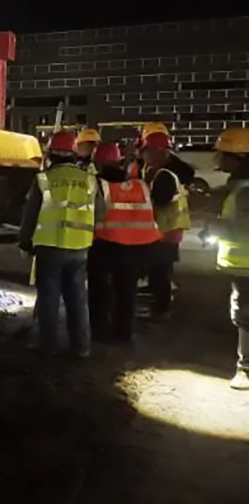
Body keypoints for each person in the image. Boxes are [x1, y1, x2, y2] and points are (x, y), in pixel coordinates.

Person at [20, 131, 100, 357]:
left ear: (51, 154)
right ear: (74, 155)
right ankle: (81, 348)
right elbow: (100, 213)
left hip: (49, 247)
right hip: (79, 248)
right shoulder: (90, 181)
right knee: (77, 299)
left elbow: (30, 214)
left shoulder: (43, 179)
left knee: (48, 298)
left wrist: (25, 242)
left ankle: (47, 346)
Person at [88, 142, 161, 343]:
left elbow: (92, 215)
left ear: (97, 162)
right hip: (138, 248)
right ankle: (124, 334)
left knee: (99, 291)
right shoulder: (140, 185)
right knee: (127, 291)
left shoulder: (98, 185)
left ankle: (99, 333)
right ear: (119, 162)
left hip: (106, 245)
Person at [200, 128, 249, 390]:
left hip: (247, 265)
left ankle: (246, 369)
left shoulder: (246, 189)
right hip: (243, 265)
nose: (220, 160)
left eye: (225, 155)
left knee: (246, 314)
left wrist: (218, 228)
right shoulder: (240, 186)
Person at [141, 131, 191, 320]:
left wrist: (143, 199)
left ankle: (161, 309)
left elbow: (159, 201)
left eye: (146, 151)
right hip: (167, 230)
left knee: (160, 270)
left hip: (165, 231)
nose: (143, 154)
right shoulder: (160, 173)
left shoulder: (164, 176)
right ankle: (159, 301)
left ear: (159, 152)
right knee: (160, 270)